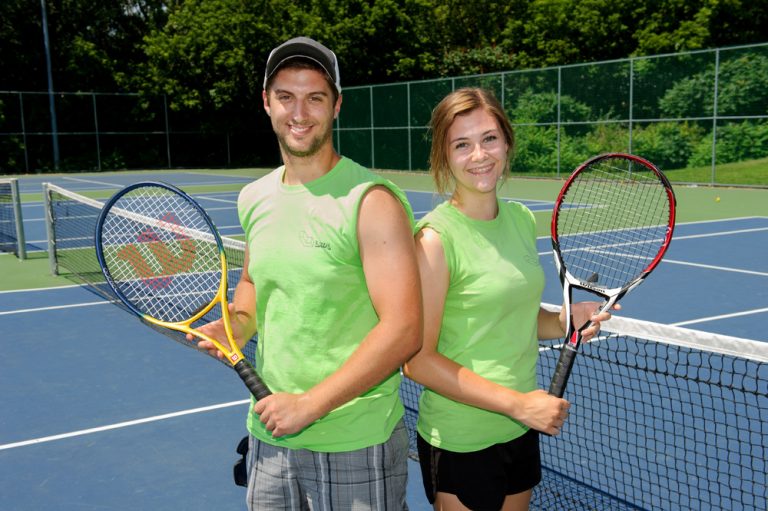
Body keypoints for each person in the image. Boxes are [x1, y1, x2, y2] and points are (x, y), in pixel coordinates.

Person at [190, 36, 421, 510]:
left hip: (355, 442)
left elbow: (404, 329)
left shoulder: (371, 201)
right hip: (270, 434)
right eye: (286, 96)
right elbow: (254, 284)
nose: (300, 112)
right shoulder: (254, 197)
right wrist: (236, 324)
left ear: (336, 105)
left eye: (315, 97)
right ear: (266, 104)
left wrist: (310, 404)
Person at [403, 87, 615, 511]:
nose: (479, 154)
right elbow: (417, 361)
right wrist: (519, 404)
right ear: (444, 157)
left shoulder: (520, 219)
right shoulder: (434, 239)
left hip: (520, 429)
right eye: (461, 144)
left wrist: (564, 320)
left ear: (507, 142)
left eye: (489, 138)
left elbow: (516, 315)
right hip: (463, 436)